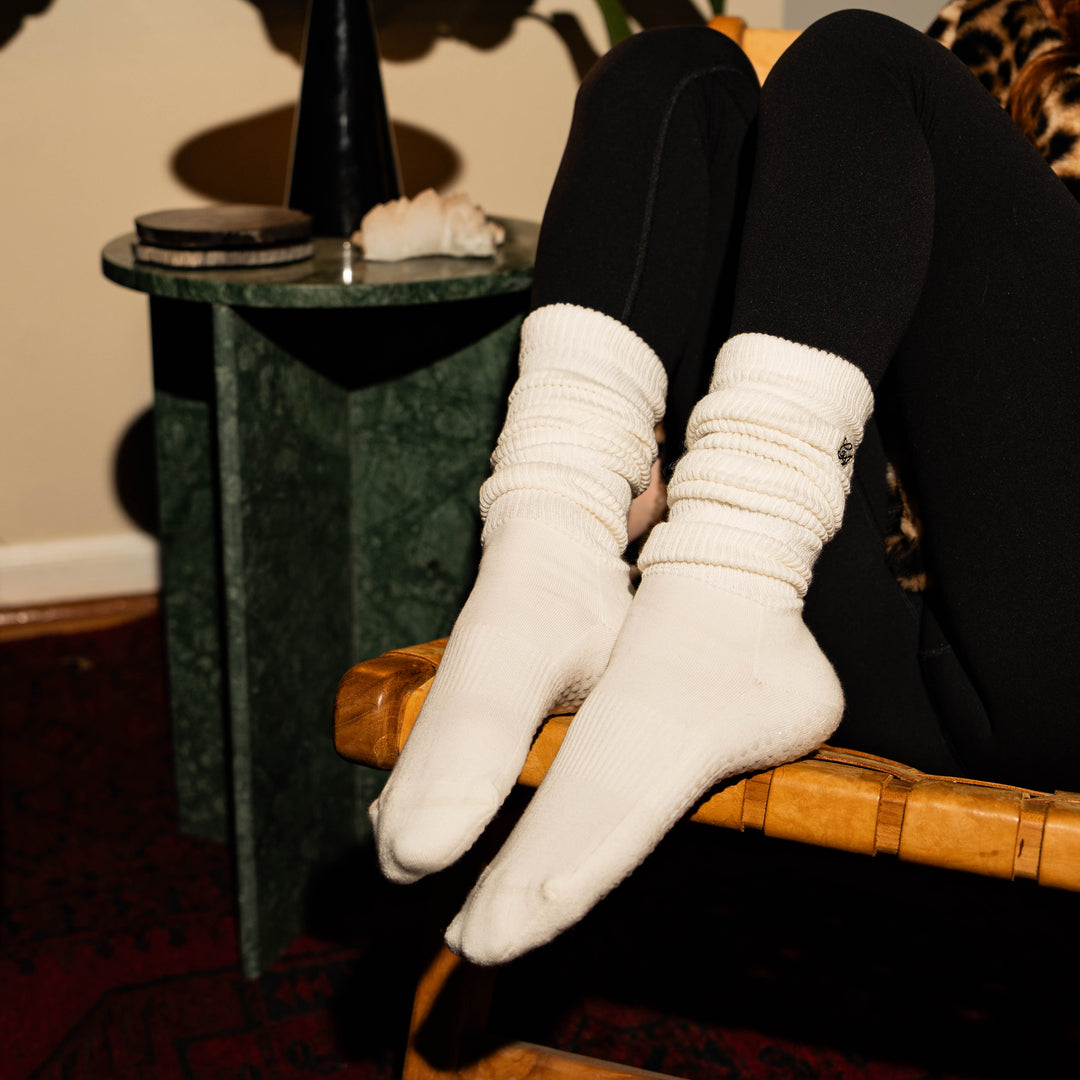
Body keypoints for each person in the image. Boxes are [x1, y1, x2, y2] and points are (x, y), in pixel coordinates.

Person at [369, 0, 1080, 966]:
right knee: (673, 79)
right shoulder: (1002, 25)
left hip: (1053, 667)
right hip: (863, 617)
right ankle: (555, 549)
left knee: (862, 59)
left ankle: (725, 590)